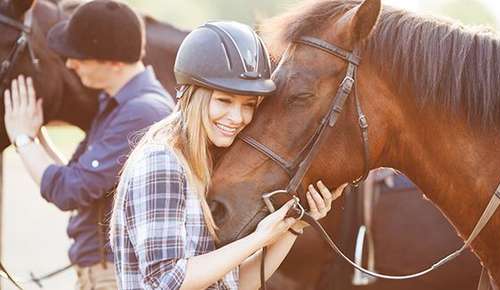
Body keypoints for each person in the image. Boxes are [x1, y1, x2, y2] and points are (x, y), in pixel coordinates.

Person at [110, 21, 347, 290]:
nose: (237, 118)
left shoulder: (205, 161)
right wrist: (258, 239)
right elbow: (167, 281)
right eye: (224, 100)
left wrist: (296, 225)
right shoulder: (162, 163)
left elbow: (238, 284)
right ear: (194, 95)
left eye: (248, 105)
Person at [2, 1, 173, 289]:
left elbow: (71, 190)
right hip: (99, 273)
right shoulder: (117, 105)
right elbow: (78, 175)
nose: (70, 64)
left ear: (114, 62)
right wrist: (36, 135)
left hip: (112, 275)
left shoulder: (141, 111)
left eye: (79, 56)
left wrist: (23, 140)